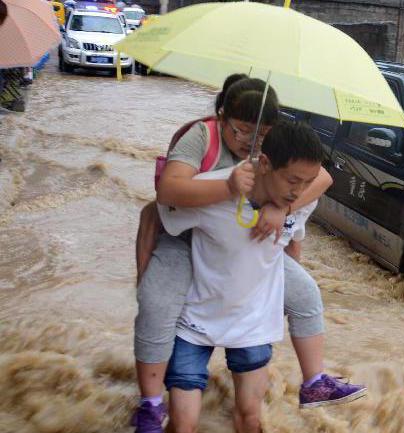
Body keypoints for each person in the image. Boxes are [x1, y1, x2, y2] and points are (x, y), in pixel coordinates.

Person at [131, 77, 364, 433]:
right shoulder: (202, 139)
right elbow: (162, 201)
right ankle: (150, 403)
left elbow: (315, 188)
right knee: (156, 302)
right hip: (192, 234)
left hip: (247, 302)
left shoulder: (282, 169)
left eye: (260, 134)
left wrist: (281, 209)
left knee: (306, 294)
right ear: (222, 118)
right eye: (240, 131)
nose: (249, 142)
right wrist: (226, 188)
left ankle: (314, 379)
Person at [157, 120, 327, 433]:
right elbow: (159, 212)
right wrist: (149, 285)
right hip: (195, 321)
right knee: (184, 424)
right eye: (292, 180)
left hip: (253, 325)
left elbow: (293, 246)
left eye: (307, 182)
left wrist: (282, 210)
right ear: (264, 163)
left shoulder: (299, 200)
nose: (299, 191)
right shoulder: (214, 191)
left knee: (250, 418)